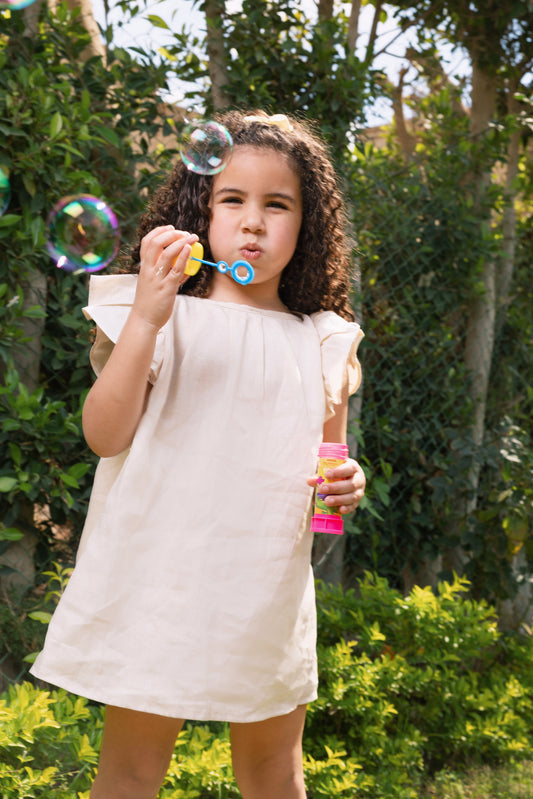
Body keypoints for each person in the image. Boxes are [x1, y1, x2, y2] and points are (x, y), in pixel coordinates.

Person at [31, 109, 366, 799]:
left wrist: (342, 488)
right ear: (198, 212)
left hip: (264, 592)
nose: (252, 222)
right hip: (159, 581)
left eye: (277, 204)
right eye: (231, 200)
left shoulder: (324, 339)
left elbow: (325, 487)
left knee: (274, 772)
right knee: (129, 773)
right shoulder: (157, 318)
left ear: (306, 227)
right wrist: (150, 316)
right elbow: (103, 435)